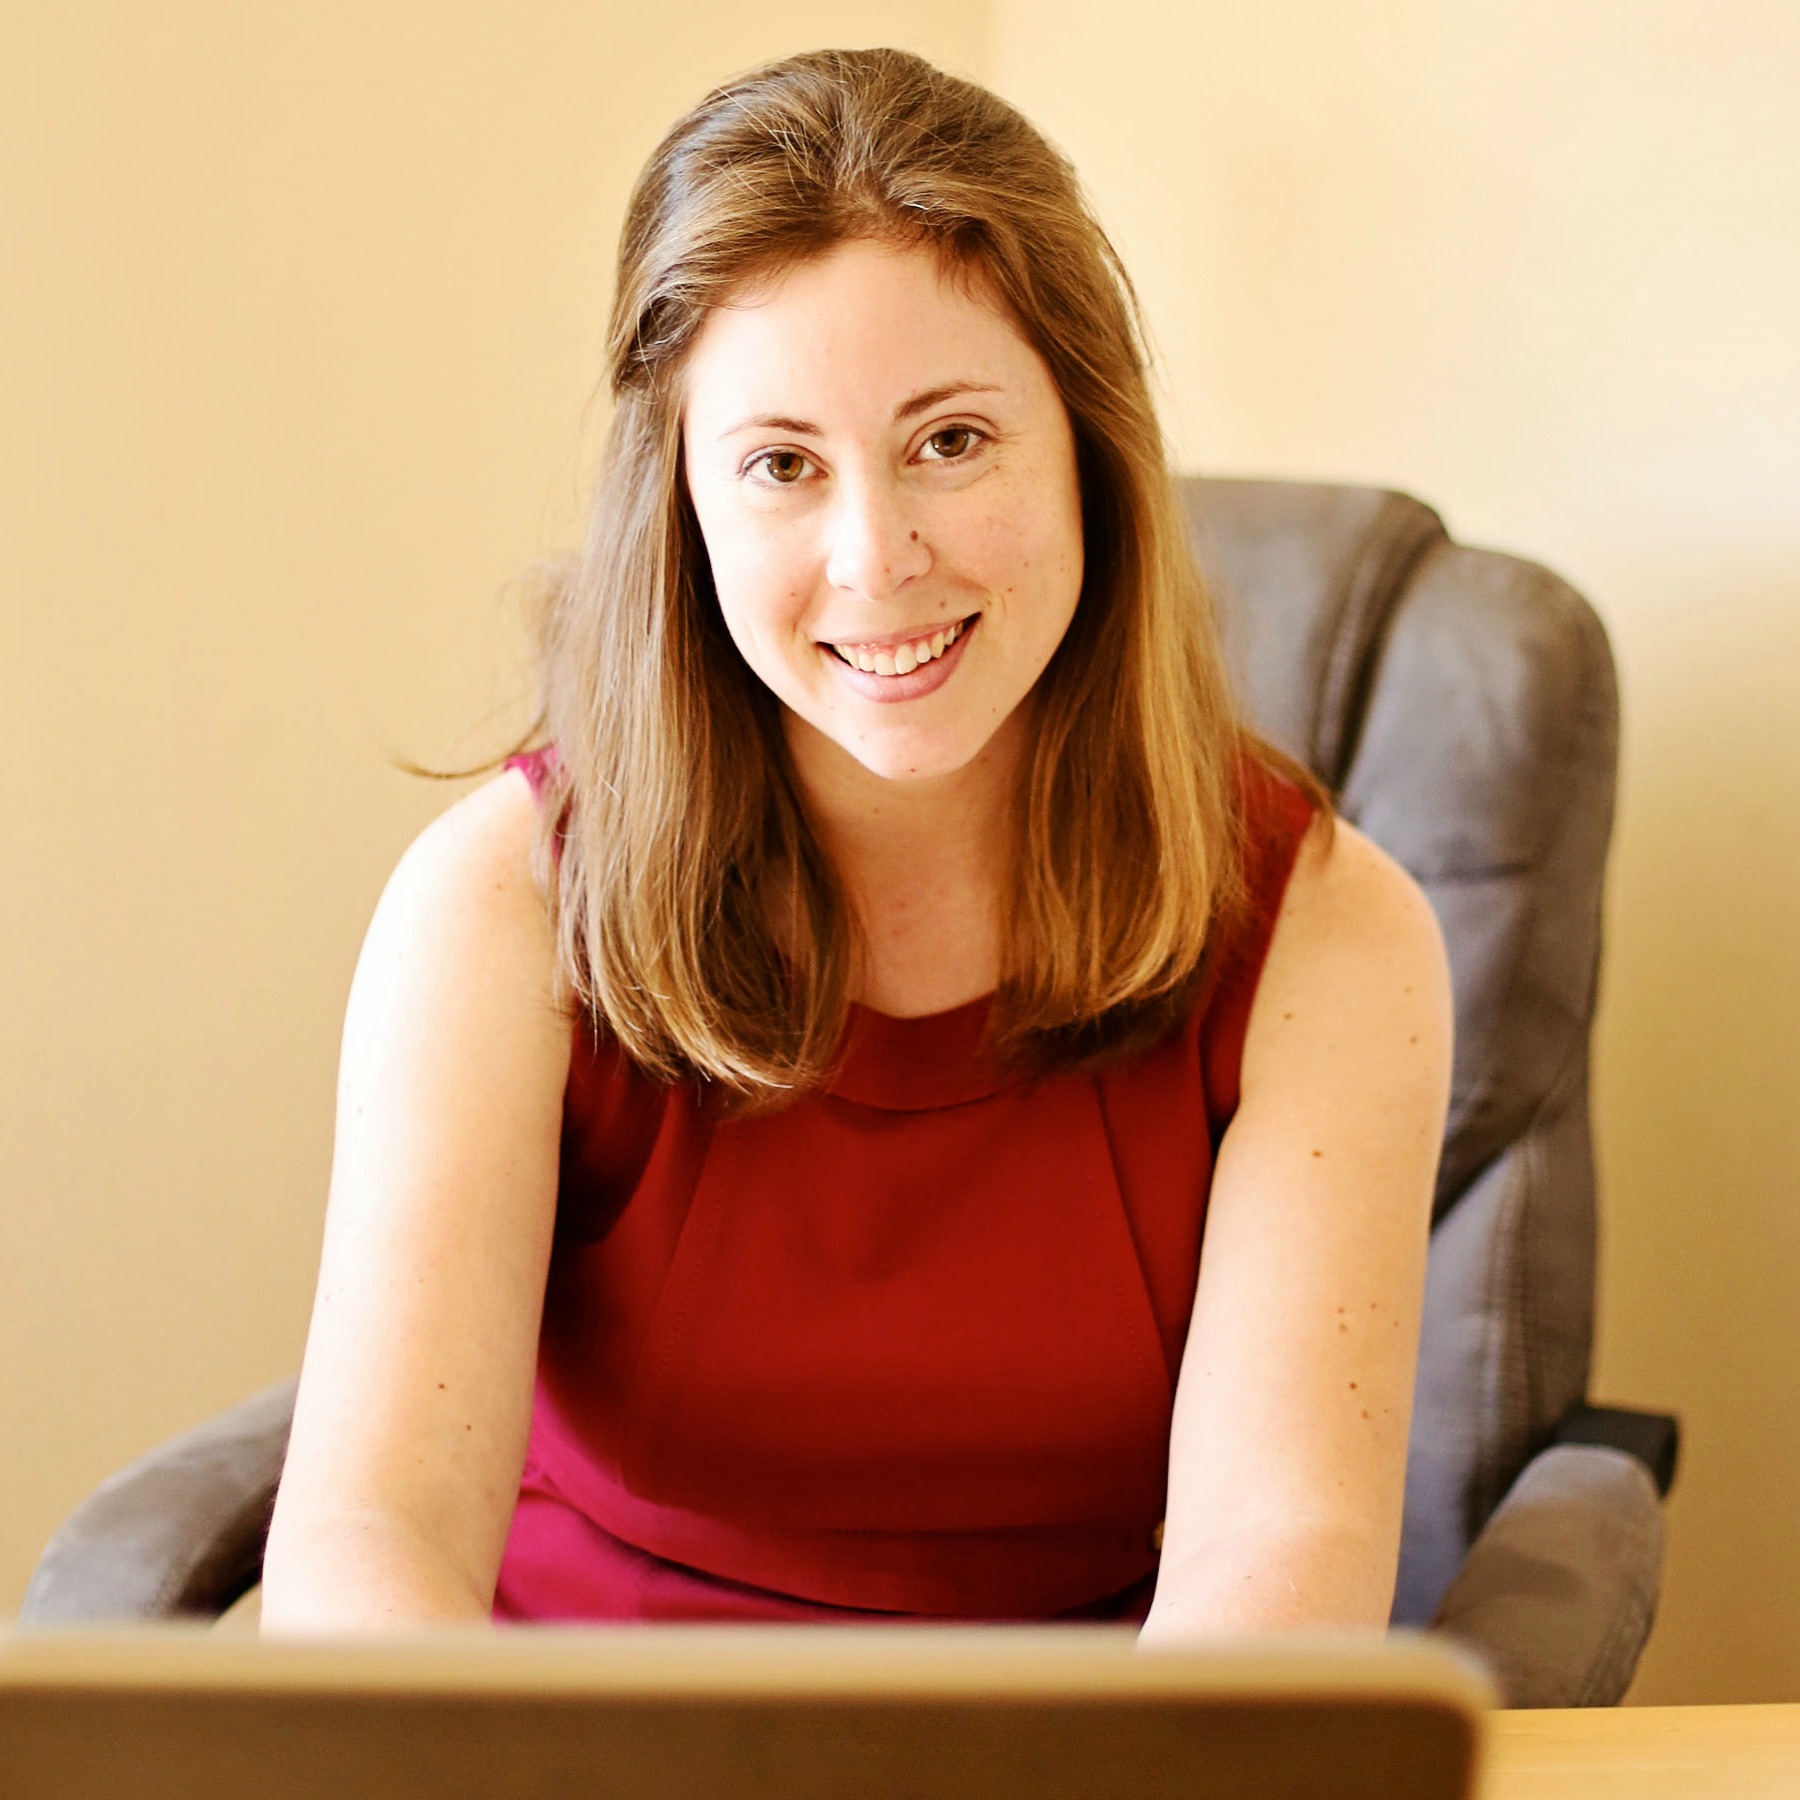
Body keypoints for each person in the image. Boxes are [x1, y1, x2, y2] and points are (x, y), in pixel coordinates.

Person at [260, 47, 1452, 1640]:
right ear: (684, 508)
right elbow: (366, 1543)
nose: (874, 557)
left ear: (1087, 447)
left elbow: (1276, 1572)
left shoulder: (1328, 936)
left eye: (951, 441)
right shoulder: (495, 908)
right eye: (779, 466)